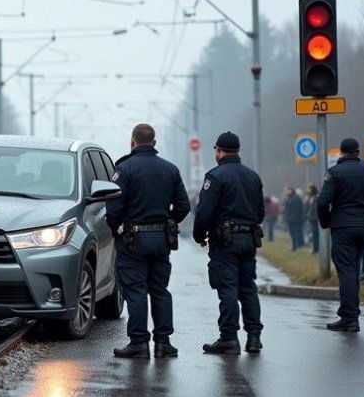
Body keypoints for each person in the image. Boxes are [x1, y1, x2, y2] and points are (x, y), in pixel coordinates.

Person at [106, 124, 190, 358]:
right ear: (154, 143)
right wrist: (168, 222)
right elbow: (184, 206)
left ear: (132, 142)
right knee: (160, 290)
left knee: (135, 291)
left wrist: (117, 230)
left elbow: (113, 209)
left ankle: (139, 343)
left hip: (132, 240)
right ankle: (163, 342)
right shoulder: (170, 169)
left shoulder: (123, 170)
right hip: (161, 239)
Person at [192, 132, 265, 355]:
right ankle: (254, 338)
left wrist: (199, 235)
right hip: (248, 240)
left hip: (224, 241)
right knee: (248, 289)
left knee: (228, 290)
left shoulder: (215, 177)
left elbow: (204, 212)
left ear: (218, 151)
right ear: (238, 151)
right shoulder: (253, 176)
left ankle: (229, 338)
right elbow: (260, 212)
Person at [316, 138, 364, 333]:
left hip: (343, 227)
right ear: (357, 152)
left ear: (341, 153)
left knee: (346, 270)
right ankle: (351, 313)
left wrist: (327, 221)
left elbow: (322, 202)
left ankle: (349, 317)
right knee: (353, 269)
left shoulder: (334, 173)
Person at [283, 186, 305, 251]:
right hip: (291, 219)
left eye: (286, 190)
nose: (285, 192)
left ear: (290, 190)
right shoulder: (290, 198)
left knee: (296, 233)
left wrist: (289, 217)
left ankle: (298, 246)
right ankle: (295, 246)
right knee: (292, 233)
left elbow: (296, 210)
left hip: (295, 219)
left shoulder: (296, 198)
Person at [305, 185, 320, 254]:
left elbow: (315, 208)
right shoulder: (311, 198)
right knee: (314, 234)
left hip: (316, 218)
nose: (308, 191)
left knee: (316, 234)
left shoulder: (316, 197)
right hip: (312, 218)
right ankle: (315, 248)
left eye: (309, 189)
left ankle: (316, 249)